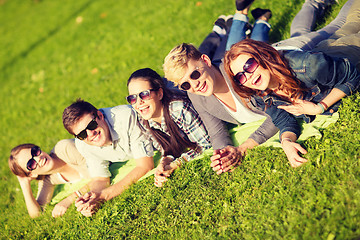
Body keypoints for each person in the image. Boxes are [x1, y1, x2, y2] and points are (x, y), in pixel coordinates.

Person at [162, 0, 351, 173]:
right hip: (287, 56)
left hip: (286, 56)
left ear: (205, 60)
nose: (195, 84)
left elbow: (278, 113)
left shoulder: (242, 76)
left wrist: (245, 146)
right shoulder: (197, 96)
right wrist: (223, 154)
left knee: (337, 27)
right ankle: (313, 3)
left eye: (195, 74)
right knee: (301, 32)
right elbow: (216, 131)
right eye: (185, 84)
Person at [223, 1, 360, 167]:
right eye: (240, 76)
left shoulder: (306, 67)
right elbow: (284, 121)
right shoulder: (261, 95)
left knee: (353, 22)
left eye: (249, 66)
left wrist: (320, 107)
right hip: (326, 52)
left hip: (349, 51)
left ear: (262, 56)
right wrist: (286, 141)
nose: (248, 76)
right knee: (350, 23)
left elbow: (353, 75)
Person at [62, 99, 154, 216]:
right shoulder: (82, 144)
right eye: (82, 134)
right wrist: (93, 197)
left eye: (91, 125)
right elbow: (101, 178)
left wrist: (105, 195)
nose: (90, 134)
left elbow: (145, 166)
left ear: (100, 115)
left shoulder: (125, 117)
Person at [126, 68, 211, 187]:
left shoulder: (178, 109)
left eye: (144, 94)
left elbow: (206, 144)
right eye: (132, 98)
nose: (138, 103)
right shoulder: (143, 119)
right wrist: (165, 161)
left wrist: (176, 164)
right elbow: (167, 148)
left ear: (159, 94)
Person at [8, 139, 91, 218]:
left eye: (35, 152)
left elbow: (101, 178)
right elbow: (37, 213)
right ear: (31, 175)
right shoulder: (48, 179)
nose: (38, 158)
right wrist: (24, 184)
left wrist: (69, 199)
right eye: (31, 163)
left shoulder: (65, 149)